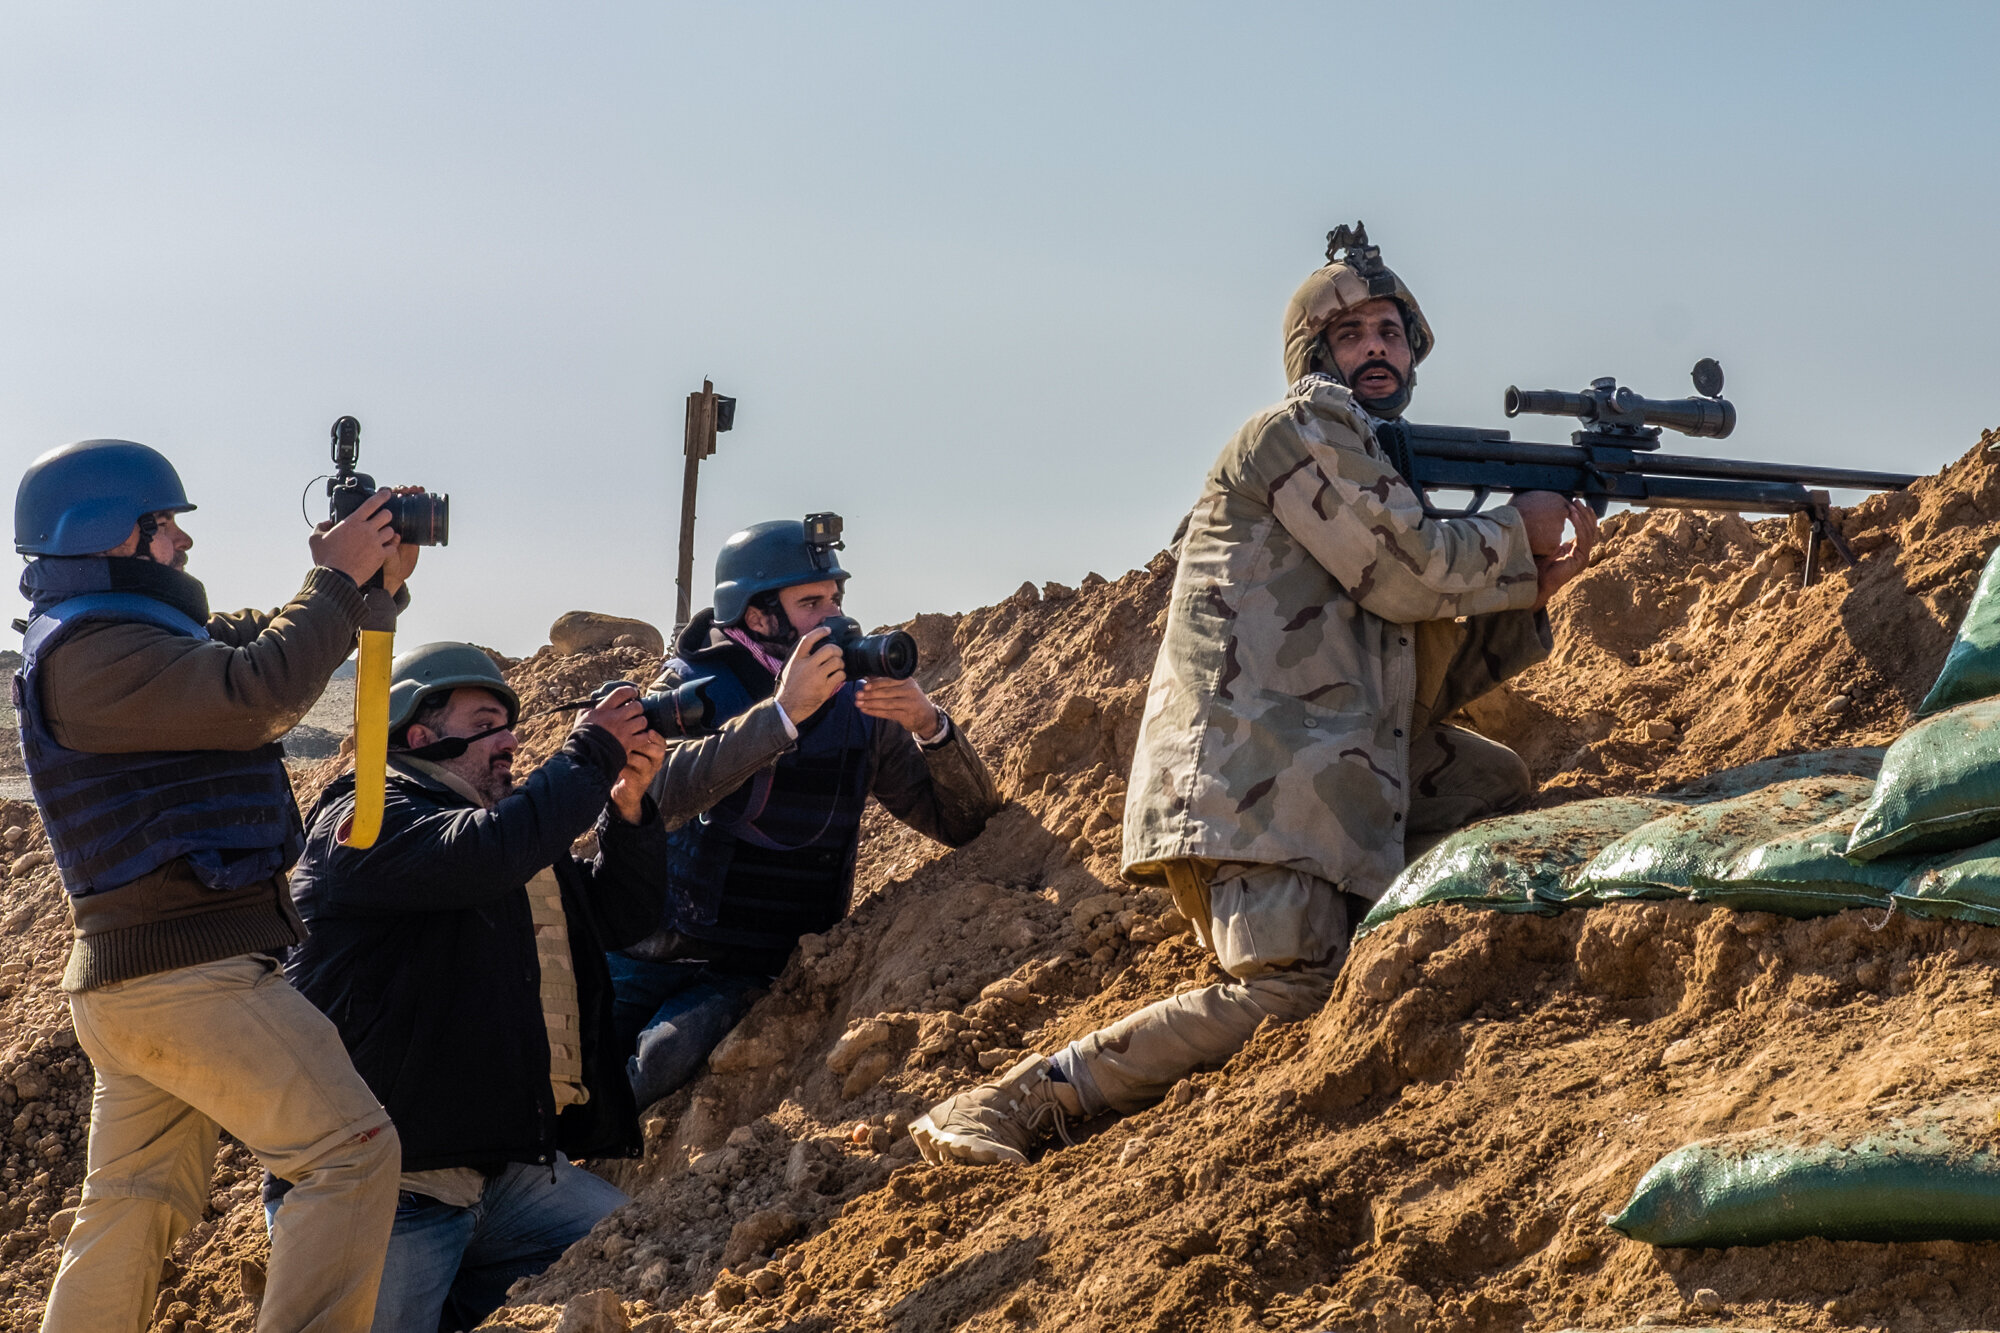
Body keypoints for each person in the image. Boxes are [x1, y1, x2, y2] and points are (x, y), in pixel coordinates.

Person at [910, 227, 1598, 1165]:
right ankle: (1021, 1097)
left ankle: (1371, 932)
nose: (1377, 347)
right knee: (1290, 990)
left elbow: (1409, 667)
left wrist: (1529, 586)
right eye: (1351, 333)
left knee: (1490, 788)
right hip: (1252, 775)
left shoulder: (1375, 472)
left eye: (1392, 331)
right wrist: (1511, 534)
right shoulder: (1298, 434)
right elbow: (1407, 575)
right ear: (1316, 355)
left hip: (1328, 762)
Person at [14, 438, 413, 1331]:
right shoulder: (90, 654)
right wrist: (337, 583)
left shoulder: (125, 638)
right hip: (183, 978)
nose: (184, 545)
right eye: (165, 527)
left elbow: (264, 640)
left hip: (142, 984)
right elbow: (254, 693)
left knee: (132, 1200)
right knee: (351, 1153)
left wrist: (364, 581)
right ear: (110, 535)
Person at [275, 643, 671, 1333]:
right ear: (422, 733)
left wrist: (628, 809)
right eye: (489, 721)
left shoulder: (504, 833)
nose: (512, 739)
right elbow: (477, 853)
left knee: (645, 1259)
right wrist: (589, 753)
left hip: (509, 1176)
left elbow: (619, 916)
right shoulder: (368, 817)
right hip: (392, 1187)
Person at [610, 517, 1002, 1109]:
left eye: (836, 598)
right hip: (648, 947)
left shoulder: (859, 709)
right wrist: (782, 716)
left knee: (654, 1063)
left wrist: (932, 728)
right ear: (757, 614)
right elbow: (658, 795)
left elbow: (963, 823)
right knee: (552, 1061)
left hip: (750, 969)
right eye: (810, 602)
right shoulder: (692, 688)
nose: (834, 615)